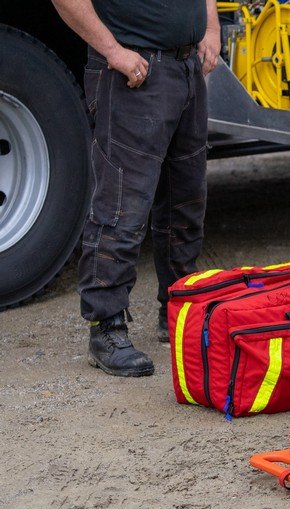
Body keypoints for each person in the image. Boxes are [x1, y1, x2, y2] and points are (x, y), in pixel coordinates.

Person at [51, 0, 219, 376]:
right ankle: (106, 329)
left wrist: (211, 27)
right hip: (133, 70)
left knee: (186, 204)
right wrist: (113, 51)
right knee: (122, 206)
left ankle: (178, 313)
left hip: (185, 68)